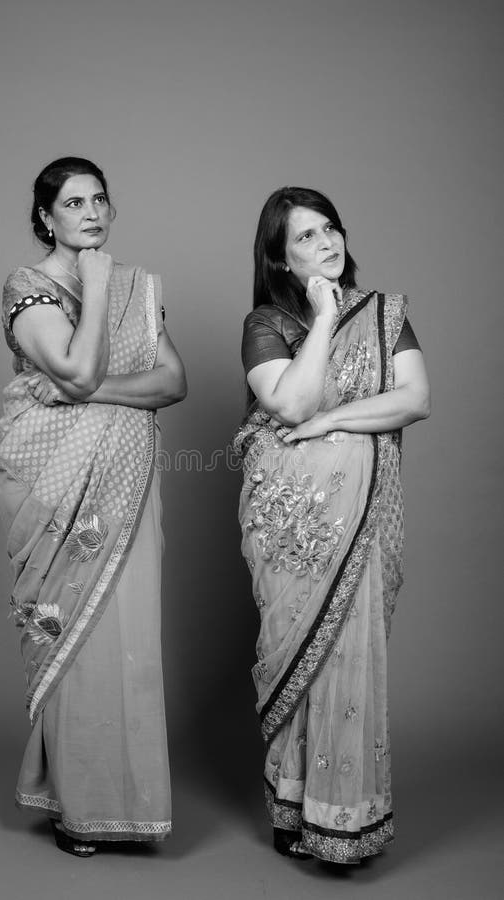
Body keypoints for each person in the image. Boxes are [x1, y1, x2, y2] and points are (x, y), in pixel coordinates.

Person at [0, 157, 186, 857]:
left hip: (127, 481)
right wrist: (96, 285)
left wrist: (89, 391)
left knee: (127, 639)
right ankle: (74, 805)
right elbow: (72, 365)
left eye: (99, 198)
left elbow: (171, 380)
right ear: (46, 216)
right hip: (54, 488)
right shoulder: (29, 285)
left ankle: (128, 805)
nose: (91, 211)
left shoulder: (141, 288)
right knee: (72, 641)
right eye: (73, 203)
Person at [233, 187, 430, 864]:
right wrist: (320, 315)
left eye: (329, 229)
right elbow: (289, 404)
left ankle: (340, 816)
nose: (325, 244)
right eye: (305, 238)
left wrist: (335, 420)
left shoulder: (384, 314)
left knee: (350, 650)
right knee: (305, 655)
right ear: (281, 259)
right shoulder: (265, 321)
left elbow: (413, 398)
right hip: (293, 521)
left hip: (363, 511)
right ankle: (295, 806)